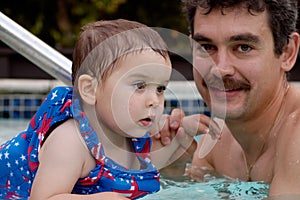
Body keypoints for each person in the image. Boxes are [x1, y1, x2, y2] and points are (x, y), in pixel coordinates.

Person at [0, 19, 188, 199]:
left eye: (160, 89)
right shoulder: (70, 142)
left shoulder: (129, 136)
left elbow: (148, 169)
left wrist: (178, 140)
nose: (154, 101)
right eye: (139, 86)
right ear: (90, 90)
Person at [159, 0, 300, 197]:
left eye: (243, 47)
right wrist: (165, 166)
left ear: (287, 52)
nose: (219, 69)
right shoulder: (215, 147)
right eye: (207, 47)